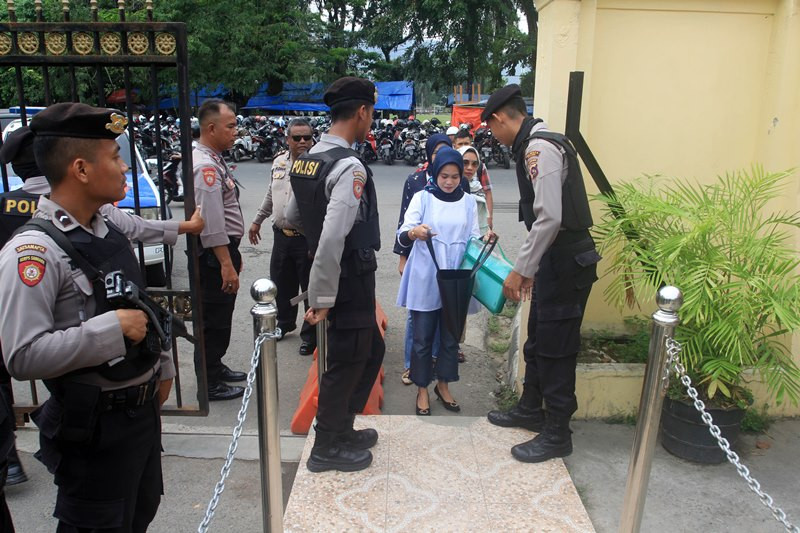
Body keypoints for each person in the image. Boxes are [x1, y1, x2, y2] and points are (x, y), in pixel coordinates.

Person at [0, 102, 185, 531]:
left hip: (137, 419)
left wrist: (161, 367)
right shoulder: (35, 252)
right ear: (81, 169)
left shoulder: (108, 228)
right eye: (115, 157)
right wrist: (110, 330)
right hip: (92, 428)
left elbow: (136, 304)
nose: (124, 168)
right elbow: (22, 355)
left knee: (139, 513)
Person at [482, 84, 601, 463]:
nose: (495, 138)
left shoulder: (539, 148)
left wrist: (520, 270)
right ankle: (530, 407)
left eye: (492, 129)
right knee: (539, 340)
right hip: (555, 259)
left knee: (557, 348)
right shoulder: (536, 143)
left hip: (566, 261)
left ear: (501, 118)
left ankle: (556, 432)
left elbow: (549, 218)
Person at [286, 76, 384, 473]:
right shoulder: (348, 165)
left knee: (368, 351)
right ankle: (327, 443)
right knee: (347, 359)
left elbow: (289, 217)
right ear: (361, 112)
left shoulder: (308, 159)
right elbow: (332, 237)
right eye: (372, 113)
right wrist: (322, 298)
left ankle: (341, 428)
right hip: (346, 278)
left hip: (331, 273)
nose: (372, 120)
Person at [396, 148, 480, 416]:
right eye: (444, 175)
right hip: (425, 276)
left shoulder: (469, 202)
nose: (449, 181)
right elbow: (402, 234)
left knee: (450, 336)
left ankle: (443, 385)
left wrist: (485, 241)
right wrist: (414, 232)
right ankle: (422, 388)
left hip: (454, 277)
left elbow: (473, 238)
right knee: (422, 336)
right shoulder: (423, 199)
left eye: (455, 176)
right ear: (435, 174)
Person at [193, 98, 248, 401]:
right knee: (213, 317)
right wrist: (226, 262)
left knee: (221, 314)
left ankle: (215, 366)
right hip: (214, 254)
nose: (235, 131)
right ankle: (209, 381)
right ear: (211, 128)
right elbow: (212, 224)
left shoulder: (213, 157)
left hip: (223, 251)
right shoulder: (205, 167)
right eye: (231, 126)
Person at [249, 118, 317, 355]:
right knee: (282, 284)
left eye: (306, 137)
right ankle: (285, 323)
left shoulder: (318, 164)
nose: (302, 142)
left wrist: (316, 240)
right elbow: (271, 192)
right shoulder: (279, 161)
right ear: (287, 139)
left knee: (310, 289)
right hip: (281, 237)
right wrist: (258, 220)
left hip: (306, 239)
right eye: (296, 138)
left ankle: (311, 335)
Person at [393, 133, 452, 384]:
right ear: (429, 154)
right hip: (420, 259)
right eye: (436, 152)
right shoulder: (416, 181)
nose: (440, 157)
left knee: (443, 314)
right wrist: (402, 256)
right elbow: (405, 223)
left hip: (447, 264)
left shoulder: (457, 184)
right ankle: (411, 365)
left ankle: (435, 362)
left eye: (446, 151)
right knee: (416, 316)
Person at [454, 128, 494, 231]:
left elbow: (487, 192)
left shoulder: (480, 167)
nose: (470, 168)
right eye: (460, 144)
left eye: (467, 143)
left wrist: (489, 217)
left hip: (479, 222)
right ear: (454, 146)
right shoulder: (449, 171)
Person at [458, 146, 490, 234]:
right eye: (465, 162)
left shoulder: (477, 187)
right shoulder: (448, 188)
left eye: (474, 164)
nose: (470, 168)